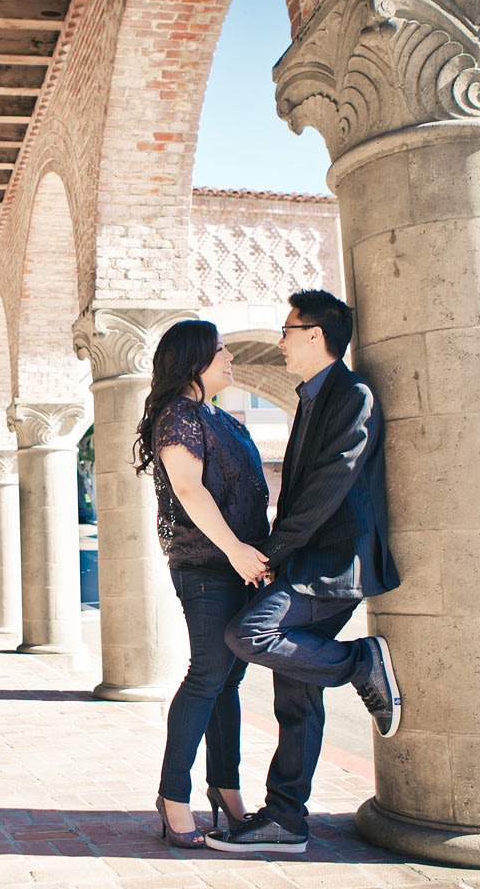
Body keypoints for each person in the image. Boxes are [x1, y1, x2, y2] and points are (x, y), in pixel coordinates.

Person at [205, 289, 402, 855]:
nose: (281, 340)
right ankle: (287, 818)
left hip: (335, 563)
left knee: (250, 634)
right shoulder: (313, 396)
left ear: (316, 335)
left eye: (288, 330)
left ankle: (362, 662)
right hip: (305, 559)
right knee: (295, 696)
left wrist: (271, 553)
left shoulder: (352, 395)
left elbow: (327, 489)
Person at [133, 319, 272, 848]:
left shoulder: (222, 418)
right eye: (220, 350)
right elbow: (189, 490)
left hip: (241, 566)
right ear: (194, 362)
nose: (231, 355)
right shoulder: (178, 417)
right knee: (207, 675)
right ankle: (173, 798)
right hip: (207, 567)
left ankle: (227, 792)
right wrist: (236, 551)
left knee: (228, 681)